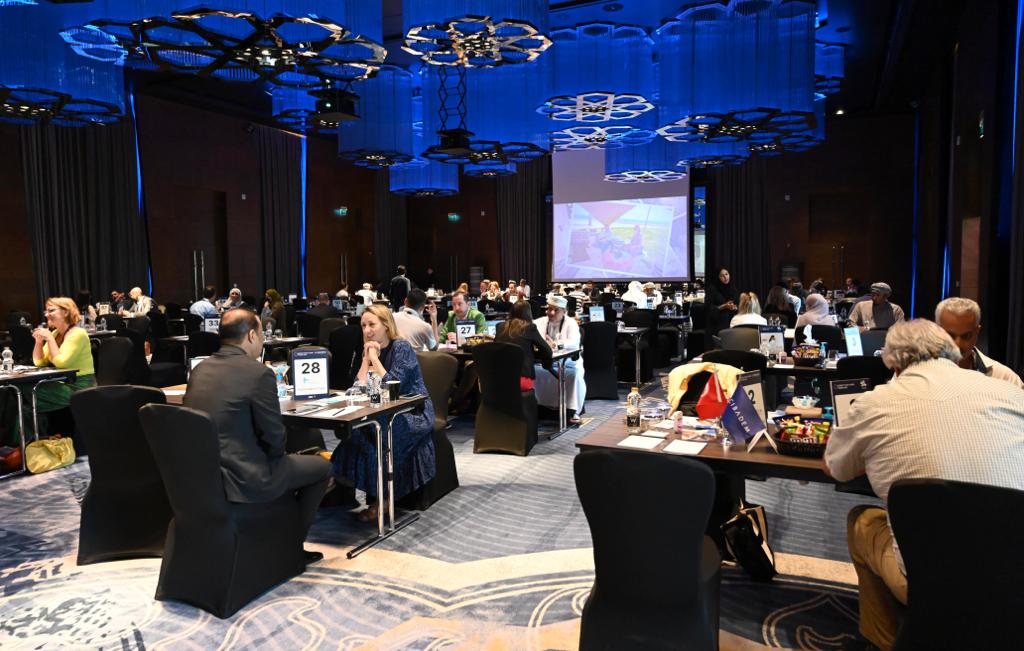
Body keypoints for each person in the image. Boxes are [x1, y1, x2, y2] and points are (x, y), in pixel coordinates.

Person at [824, 319, 1024, 650]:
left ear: (893, 364)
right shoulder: (1010, 392)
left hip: (928, 577)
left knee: (862, 521)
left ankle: (886, 641)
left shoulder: (876, 402)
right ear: (951, 352)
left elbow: (836, 467)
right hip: (1015, 571)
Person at [183, 309, 331, 564]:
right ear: (252, 335)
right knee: (322, 467)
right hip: (246, 477)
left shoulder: (200, 369)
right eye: (262, 334)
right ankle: (290, 548)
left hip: (202, 475)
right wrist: (280, 458)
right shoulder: (258, 373)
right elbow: (275, 439)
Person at [331, 305, 435, 522]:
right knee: (357, 433)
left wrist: (375, 359)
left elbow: (392, 386)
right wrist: (366, 360)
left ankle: (384, 499)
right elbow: (356, 390)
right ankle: (339, 481)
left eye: (372, 324)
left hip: (413, 411)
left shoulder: (401, 347)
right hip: (382, 410)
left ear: (386, 325)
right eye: (363, 326)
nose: (367, 330)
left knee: (384, 436)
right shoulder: (369, 350)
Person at [31, 297, 96, 424]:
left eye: (51, 310)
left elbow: (62, 363)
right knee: (23, 407)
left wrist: (49, 339)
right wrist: (38, 342)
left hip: (79, 387)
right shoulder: (55, 333)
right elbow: (39, 362)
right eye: (46, 311)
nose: (46, 314)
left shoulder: (78, 333)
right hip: (62, 383)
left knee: (27, 391)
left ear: (66, 312)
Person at [935, 297, 1023, 388]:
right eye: (950, 335)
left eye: (966, 336)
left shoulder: (1004, 378)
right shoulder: (924, 372)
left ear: (977, 331)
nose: (958, 344)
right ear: (936, 330)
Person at [533, 295, 586, 423]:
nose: (551, 313)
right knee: (532, 371)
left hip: (567, 363)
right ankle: (538, 408)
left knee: (573, 375)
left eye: (555, 310)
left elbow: (574, 342)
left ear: (564, 311)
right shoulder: (539, 322)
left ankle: (572, 411)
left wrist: (555, 345)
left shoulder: (571, 323)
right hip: (544, 363)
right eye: (549, 309)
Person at [496, 300, 552, 392]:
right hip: (521, 380)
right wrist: (544, 363)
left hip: (498, 379)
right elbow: (547, 351)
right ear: (528, 313)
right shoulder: (529, 327)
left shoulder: (500, 326)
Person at [706, 268, 739, 336]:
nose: (725, 277)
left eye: (726, 274)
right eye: (722, 276)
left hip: (732, 321)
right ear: (718, 277)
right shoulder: (712, 289)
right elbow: (708, 308)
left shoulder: (732, 287)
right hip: (717, 322)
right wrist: (723, 306)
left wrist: (735, 307)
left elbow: (737, 303)